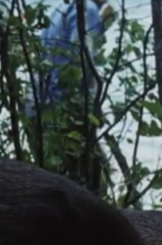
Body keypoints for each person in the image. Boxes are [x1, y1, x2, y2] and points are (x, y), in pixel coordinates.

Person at [25, 0, 117, 195]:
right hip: (63, 108)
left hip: (37, 106)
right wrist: (92, 109)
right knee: (95, 188)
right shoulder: (88, 11)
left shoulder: (61, 8)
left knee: (52, 185)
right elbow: (81, 61)